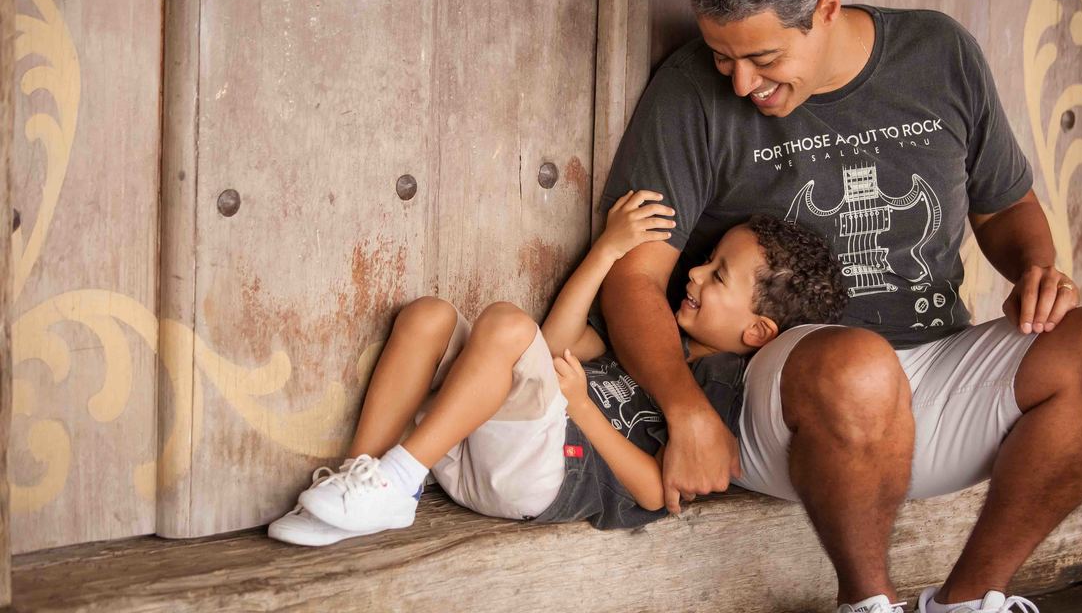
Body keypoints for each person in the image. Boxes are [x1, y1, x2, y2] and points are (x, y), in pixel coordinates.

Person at [596, 0, 1082, 613]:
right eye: (722, 57)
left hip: (933, 371)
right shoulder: (688, 93)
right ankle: (865, 603)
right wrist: (685, 410)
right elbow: (633, 279)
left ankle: (969, 600)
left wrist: (1035, 269)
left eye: (764, 59)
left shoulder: (939, 53)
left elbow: (1005, 206)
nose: (739, 83)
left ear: (827, 9)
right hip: (781, 399)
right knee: (858, 365)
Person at [267, 190, 847, 544]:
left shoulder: (720, 390)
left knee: (507, 325)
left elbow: (654, 494)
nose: (694, 273)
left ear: (756, 332)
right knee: (429, 316)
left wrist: (583, 408)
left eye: (717, 275)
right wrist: (608, 250)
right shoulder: (655, 337)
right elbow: (561, 341)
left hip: (546, 477)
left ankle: (394, 480)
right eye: (707, 261)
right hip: (482, 447)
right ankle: (361, 481)